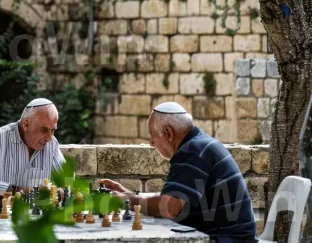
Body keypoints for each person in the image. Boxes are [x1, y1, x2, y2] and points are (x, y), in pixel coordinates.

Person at [98, 102, 257, 243]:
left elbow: (169, 208)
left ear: (168, 132)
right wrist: (128, 195)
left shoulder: (193, 151)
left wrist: (128, 201)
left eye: (153, 135)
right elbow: (173, 202)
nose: (151, 143)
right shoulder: (198, 144)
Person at [0, 98, 65, 198]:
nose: (49, 138)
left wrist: (60, 190)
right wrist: (18, 190)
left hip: (39, 211)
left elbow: (68, 179)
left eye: (53, 130)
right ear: (26, 124)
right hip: (1, 211)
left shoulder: (52, 144)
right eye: (44, 130)